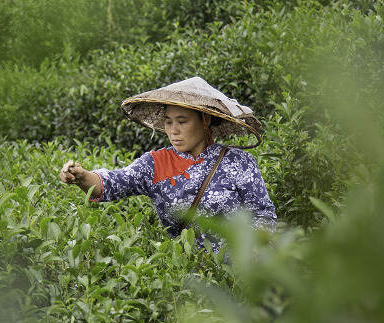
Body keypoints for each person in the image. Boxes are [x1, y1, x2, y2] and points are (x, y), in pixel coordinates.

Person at [59, 77, 276, 253]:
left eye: (182, 121)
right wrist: (82, 176)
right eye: (168, 121)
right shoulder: (155, 164)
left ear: (205, 120)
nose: (173, 130)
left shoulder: (238, 161)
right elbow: (114, 183)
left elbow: (263, 214)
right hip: (189, 275)